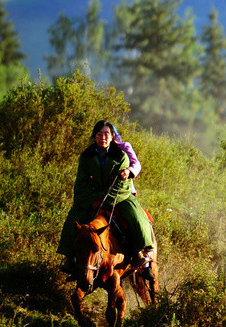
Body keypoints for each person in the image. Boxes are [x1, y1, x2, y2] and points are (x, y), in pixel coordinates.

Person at [57, 120, 155, 279]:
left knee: (137, 218)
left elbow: (123, 184)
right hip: (93, 197)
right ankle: (69, 258)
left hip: (119, 196)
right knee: (73, 219)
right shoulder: (86, 156)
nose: (103, 137)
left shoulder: (121, 154)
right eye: (99, 134)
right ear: (94, 136)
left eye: (106, 134)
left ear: (112, 137)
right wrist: (92, 199)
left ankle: (140, 254)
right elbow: (81, 183)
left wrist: (103, 199)